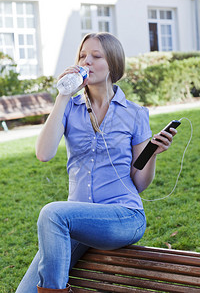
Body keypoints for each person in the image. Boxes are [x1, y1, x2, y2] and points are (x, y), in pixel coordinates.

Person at [16, 32, 177, 293]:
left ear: (112, 63)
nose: (86, 61)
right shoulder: (69, 107)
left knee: (52, 213)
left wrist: (153, 155)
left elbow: (140, 182)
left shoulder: (135, 114)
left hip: (123, 216)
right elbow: (44, 154)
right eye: (82, 55)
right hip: (75, 222)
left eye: (96, 56)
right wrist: (63, 95)